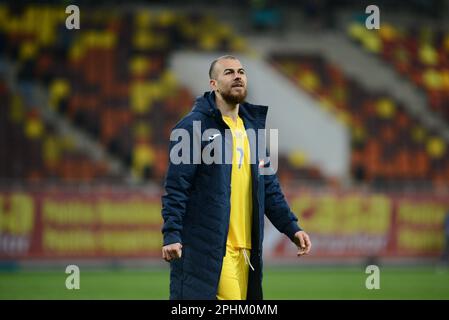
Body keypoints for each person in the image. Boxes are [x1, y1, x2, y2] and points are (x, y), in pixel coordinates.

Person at [161, 55, 311, 300]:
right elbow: (177, 188)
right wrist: (171, 234)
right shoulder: (191, 128)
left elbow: (269, 188)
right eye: (229, 72)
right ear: (213, 84)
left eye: (241, 71)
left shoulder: (253, 131)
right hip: (210, 250)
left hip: (247, 253)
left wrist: (292, 228)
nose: (238, 76)